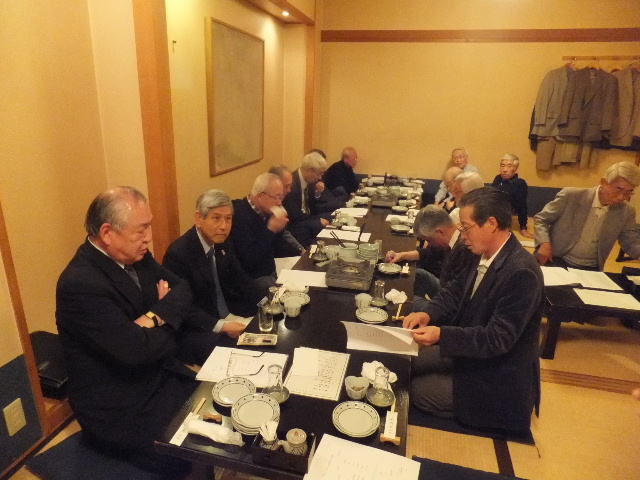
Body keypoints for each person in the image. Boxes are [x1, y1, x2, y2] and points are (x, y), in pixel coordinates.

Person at [56, 187, 196, 476]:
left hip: (155, 372)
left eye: (149, 227)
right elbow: (136, 352)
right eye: (141, 229)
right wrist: (165, 317)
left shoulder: (136, 255)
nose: (149, 237)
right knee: (182, 452)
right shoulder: (80, 283)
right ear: (108, 233)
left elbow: (183, 289)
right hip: (116, 401)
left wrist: (153, 316)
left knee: (214, 403)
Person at [403, 187, 543, 433]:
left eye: (466, 227)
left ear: (491, 223)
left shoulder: (522, 272)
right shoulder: (483, 251)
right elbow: (455, 291)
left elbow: (497, 339)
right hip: (471, 351)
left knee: (418, 391)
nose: (462, 235)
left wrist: (441, 334)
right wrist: (428, 313)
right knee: (409, 361)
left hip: (497, 374)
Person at [163, 189, 265, 359]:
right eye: (216, 218)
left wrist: (267, 302)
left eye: (228, 219)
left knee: (269, 324)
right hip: (198, 327)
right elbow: (182, 308)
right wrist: (221, 326)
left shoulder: (221, 241)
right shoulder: (178, 254)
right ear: (199, 218)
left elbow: (241, 279)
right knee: (239, 354)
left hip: (228, 311)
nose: (224, 226)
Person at [534, 161, 640, 270]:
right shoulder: (571, 196)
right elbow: (541, 219)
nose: (622, 197)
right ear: (603, 182)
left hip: (592, 267)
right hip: (558, 258)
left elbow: (630, 242)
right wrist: (544, 243)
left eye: (629, 192)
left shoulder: (626, 211)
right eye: (618, 189)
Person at [385, 205, 475, 308]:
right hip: (445, 289)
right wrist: (402, 255)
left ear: (439, 231)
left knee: (404, 302)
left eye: (429, 240)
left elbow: (453, 297)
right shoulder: (450, 241)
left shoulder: (464, 250)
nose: (429, 244)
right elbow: (429, 253)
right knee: (416, 274)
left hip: (450, 305)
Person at [229, 173, 300, 284]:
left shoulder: (266, 211)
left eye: (281, 197)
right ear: (260, 196)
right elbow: (250, 260)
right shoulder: (239, 216)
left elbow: (277, 246)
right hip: (255, 279)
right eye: (276, 197)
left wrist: (300, 252)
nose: (279, 202)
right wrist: (271, 230)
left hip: (272, 269)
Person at [283, 151, 331, 247]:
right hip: (294, 223)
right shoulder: (291, 184)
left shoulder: (309, 181)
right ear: (310, 170)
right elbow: (296, 216)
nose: (320, 178)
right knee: (315, 226)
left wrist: (317, 194)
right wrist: (317, 221)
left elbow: (312, 208)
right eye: (319, 174)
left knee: (330, 217)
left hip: (305, 217)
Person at [492, 153, 533, 238]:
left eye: (509, 166)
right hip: (493, 213)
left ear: (515, 169)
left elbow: (522, 206)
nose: (504, 169)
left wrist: (523, 228)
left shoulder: (519, 183)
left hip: (505, 215)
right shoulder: (497, 179)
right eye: (502, 166)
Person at [268, 164, 306, 254]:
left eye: (290, 186)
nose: (289, 190)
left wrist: (301, 249)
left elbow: (284, 232)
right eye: (286, 186)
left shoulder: (281, 200)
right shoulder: (267, 206)